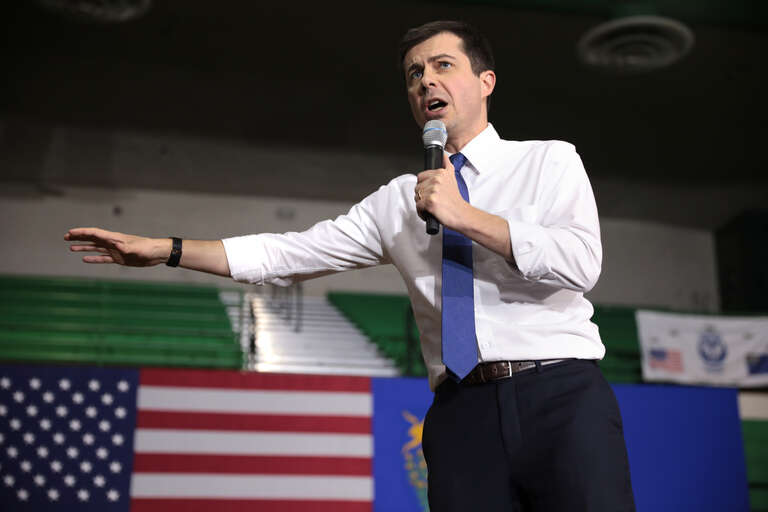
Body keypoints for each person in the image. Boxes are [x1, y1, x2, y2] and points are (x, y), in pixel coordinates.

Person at [65, 20, 635, 512]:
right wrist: (167, 249)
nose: (426, 81)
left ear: (485, 82)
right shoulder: (396, 201)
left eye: (442, 65)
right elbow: (286, 254)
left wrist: (464, 216)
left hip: (561, 396)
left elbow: (581, 264)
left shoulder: (548, 160)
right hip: (461, 414)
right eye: (414, 74)